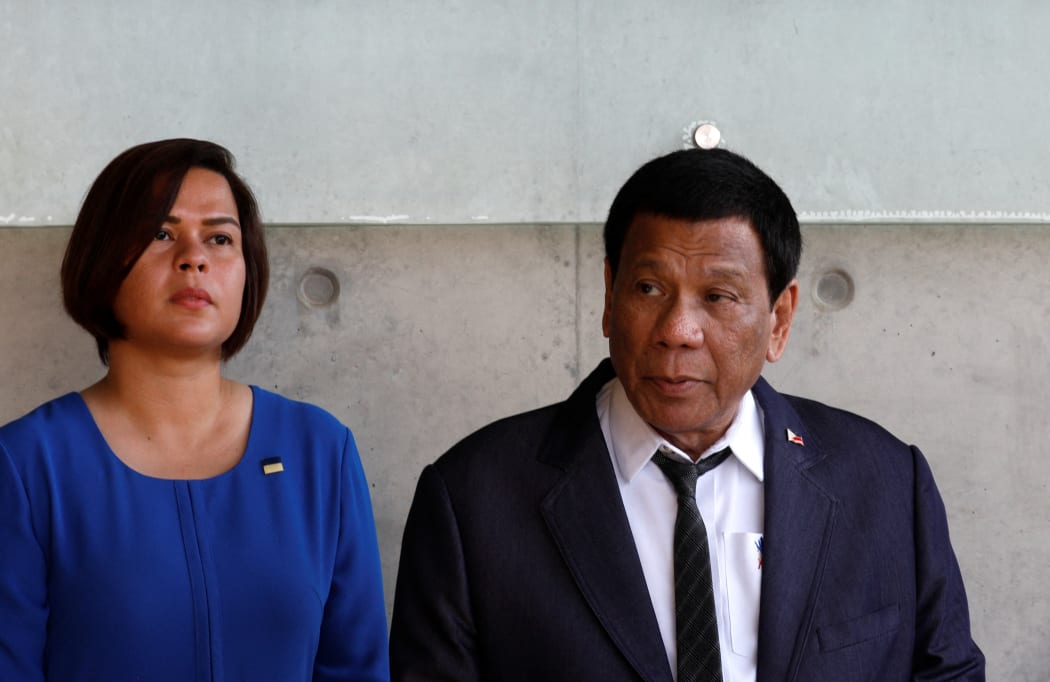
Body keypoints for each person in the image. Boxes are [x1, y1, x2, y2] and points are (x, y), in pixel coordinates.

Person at [389, 148, 985, 681]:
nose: (677, 331)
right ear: (608, 296)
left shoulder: (883, 482)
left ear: (779, 320)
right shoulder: (474, 497)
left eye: (718, 297)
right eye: (648, 288)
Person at [0, 139, 389, 681]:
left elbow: (357, 667)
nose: (194, 257)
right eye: (162, 233)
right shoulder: (24, 465)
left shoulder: (320, 451)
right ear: (102, 256)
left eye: (220, 237)